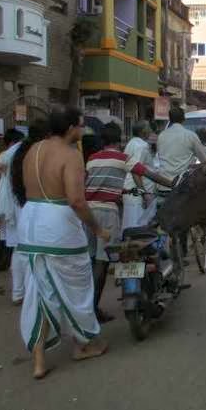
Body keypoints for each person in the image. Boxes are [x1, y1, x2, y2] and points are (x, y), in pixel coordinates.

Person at [16, 107, 109, 379]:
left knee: (40, 292)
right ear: (70, 128)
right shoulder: (71, 156)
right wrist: (98, 229)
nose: (82, 132)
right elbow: (77, 201)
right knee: (77, 289)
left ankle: (39, 361)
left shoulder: (32, 150)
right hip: (59, 227)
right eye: (81, 126)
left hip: (31, 222)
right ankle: (82, 345)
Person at [84, 122, 173, 323]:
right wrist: (172, 183)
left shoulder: (92, 159)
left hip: (87, 213)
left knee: (90, 261)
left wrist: (128, 192)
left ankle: (87, 307)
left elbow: (93, 184)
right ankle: (93, 311)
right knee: (102, 263)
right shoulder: (122, 158)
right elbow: (149, 174)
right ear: (118, 140)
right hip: (107, 212)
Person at [0, 128, 26, 304]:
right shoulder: (19, 149)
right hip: (19, 205)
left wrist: (7, 169)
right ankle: (20, 293)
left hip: (12, 206)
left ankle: (19, 293)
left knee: (18, 250)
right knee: (22, 250)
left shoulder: (13, 151)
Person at [156, 107, 206, 187]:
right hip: (181, 187)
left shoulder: (161, 136)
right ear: (183, 119)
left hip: (162, 184)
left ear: (170, 119)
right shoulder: (189, 135)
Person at [122, 120, 156, 231]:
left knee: (132, 228)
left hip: (132, 192)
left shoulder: (132, 143)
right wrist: (144, 193)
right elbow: (135, 170)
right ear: (143, 132)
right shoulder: (141, 146)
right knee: (136, 231)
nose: (151, 131)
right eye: (149, 128)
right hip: (136, 194)